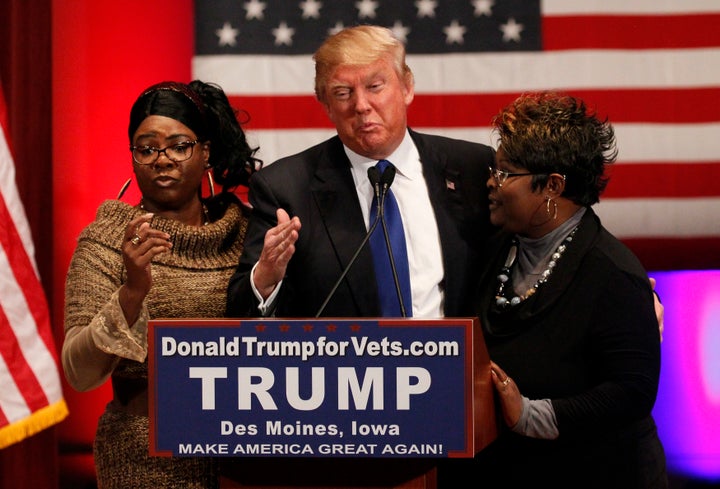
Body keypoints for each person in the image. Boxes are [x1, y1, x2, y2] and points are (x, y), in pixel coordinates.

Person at [61, 80, 261, 489]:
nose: (162, 159)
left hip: (246, 457)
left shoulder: (246, 234)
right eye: (147, 147)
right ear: (133, 158)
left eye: (179, 145)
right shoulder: (106, 240)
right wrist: (131, 293)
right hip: (143, 463)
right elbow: (78, 372)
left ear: (205, 152)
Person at [465, 91, 668, 488]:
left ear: (552, 186)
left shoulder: (613, 274)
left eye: (506, 173)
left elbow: (632, 392)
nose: (491, 182)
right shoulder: (494, 247)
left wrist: (528, 415)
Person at [225, 24, 495, 320]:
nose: (361, 105)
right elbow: (241, 310)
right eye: (343, 93)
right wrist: (266, 278)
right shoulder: (285, 187)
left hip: (454, 363)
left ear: (407, 87)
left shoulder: (472, 167)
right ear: (326, 105)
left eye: (375, 86)